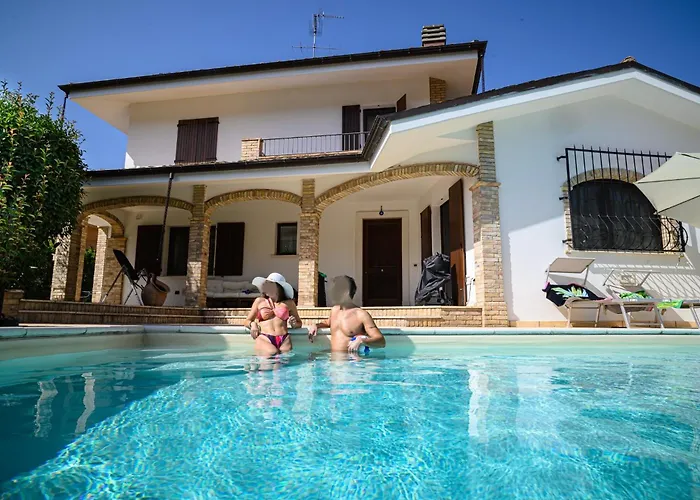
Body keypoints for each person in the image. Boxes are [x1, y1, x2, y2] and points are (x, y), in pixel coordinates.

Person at [307, 275, 386, 352]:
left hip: (350, 359)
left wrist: (362, 340)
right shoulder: (334, 310)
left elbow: (381, 342)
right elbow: (328, 322)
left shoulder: (361, 315)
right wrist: (316, 325)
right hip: (333, 358)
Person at [244, 273, 301, 355]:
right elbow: (247, 321)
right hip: (265, 337)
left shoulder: (289, 303)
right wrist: (253, 324)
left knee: (285, 361)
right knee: (272, 352)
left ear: (278, 287)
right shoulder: (259, 301)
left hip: (284, 339)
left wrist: (294, 324)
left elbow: (299, 323)